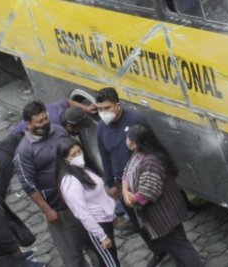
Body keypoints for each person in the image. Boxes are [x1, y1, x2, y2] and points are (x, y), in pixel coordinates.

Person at [14, 101, 91, 267]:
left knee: (95, 244)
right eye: (39, 121)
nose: (45, 123)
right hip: (59, 208)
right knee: (72, 255)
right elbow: (28, 185)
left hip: (80, 199)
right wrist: (47, 210)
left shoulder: (59, 131)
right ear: (28, 124)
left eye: (46, 118)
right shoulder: (24, 152)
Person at [121, 123, 204, 267]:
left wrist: (130, 199)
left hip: (166, 215)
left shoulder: (151, 161)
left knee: (180, 246)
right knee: (173, 247)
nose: (128, 142)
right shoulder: (137, 154)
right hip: (158, 218)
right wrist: (125, 190)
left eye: (131, 140)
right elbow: (126, 172)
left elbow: (147, 193)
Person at [95, 86, 153, 243]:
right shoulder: (101, 128)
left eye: (107, 108)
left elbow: (152, 148)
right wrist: (111, 183)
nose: (103, 112)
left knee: (155, 217)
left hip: (143, 178)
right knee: (137, 221)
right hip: (122, 183)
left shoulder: (136, 121)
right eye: (99, 109)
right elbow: (104, 156)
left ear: (117, 105)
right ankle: (155, 249)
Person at [56, 140, 117, 267]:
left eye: (79, 151)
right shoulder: (70, 182)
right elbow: (82, 213)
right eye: (73, 155)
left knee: (111, 260)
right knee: (110, 263)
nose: (78, 155)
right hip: (94, 226)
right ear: (65, 160)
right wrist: (101, 236)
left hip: (103, 220)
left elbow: (100, 195)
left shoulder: (83, 169)